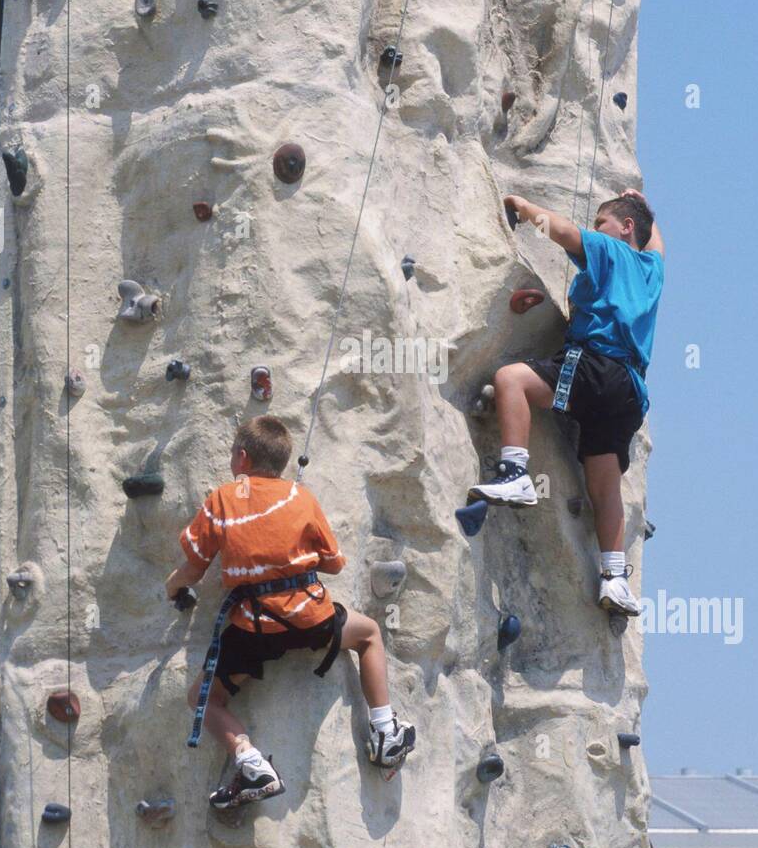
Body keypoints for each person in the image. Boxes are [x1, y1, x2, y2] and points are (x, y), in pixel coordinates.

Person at [165, 416, 415, 808]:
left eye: (233, 453)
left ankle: (250, 762)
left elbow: (194, 567)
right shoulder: (301, 497)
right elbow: (334, 564)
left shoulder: (222, 499)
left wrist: (173, 587)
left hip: (253, 630)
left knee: (203, 698)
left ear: (242, 457)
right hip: (310, 619)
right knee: (368, 635)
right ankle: (384, 732)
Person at [467, 188, 664, 617]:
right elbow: (657, 242)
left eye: (603, 222)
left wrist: (521, 206)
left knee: (511, 380)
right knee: (604, 483)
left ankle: (516, 472)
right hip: (629, 392)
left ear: (624, 228)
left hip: (594, 365)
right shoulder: (651, 270)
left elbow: (560, 231)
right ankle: (615, 580)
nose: (597, 229)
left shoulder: (609, 249)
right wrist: (644, 206)